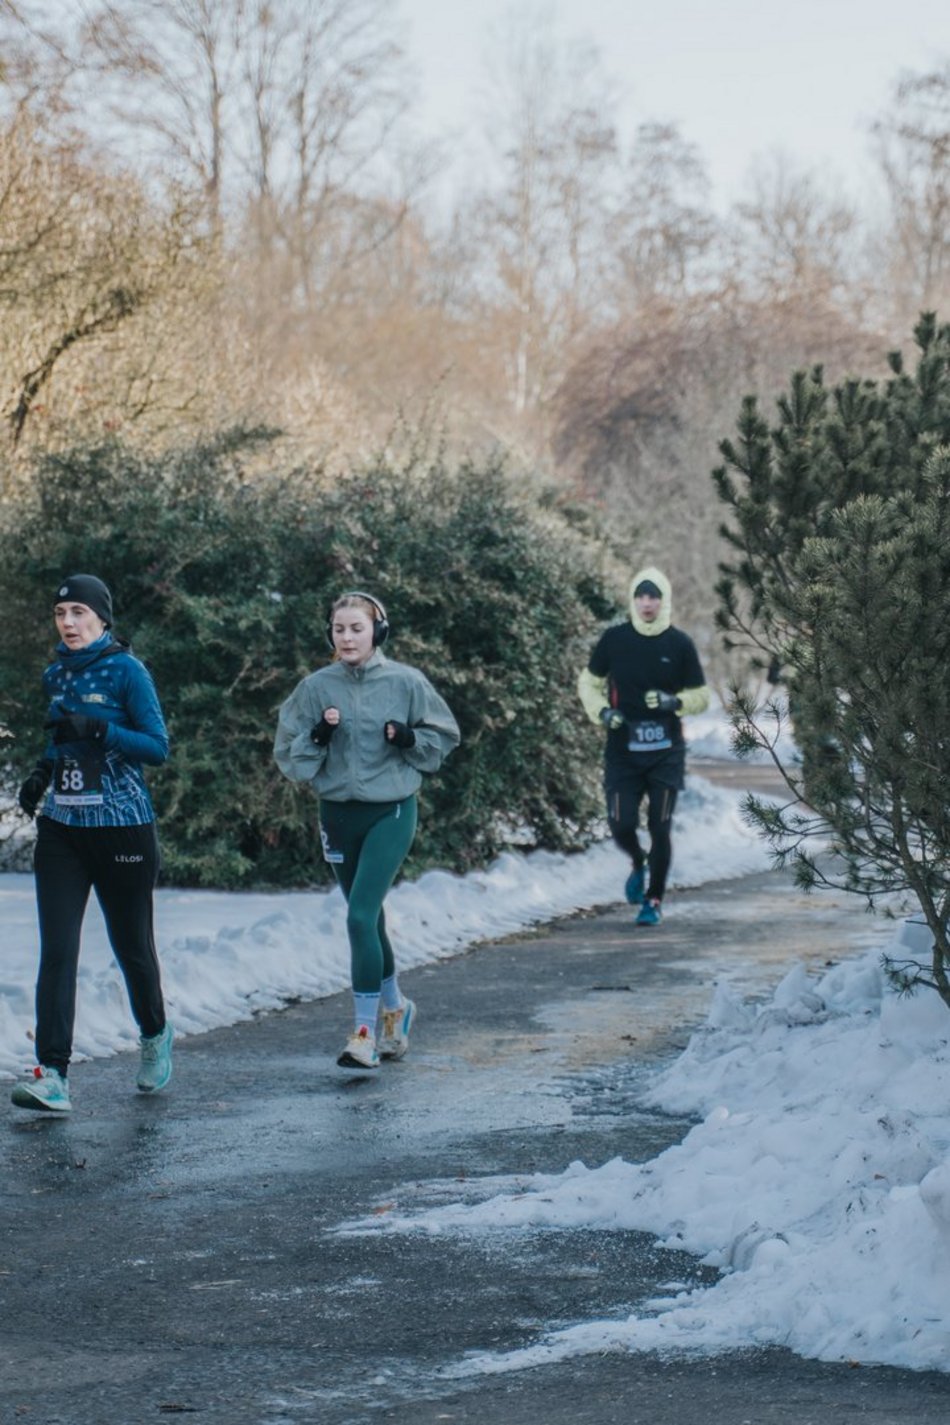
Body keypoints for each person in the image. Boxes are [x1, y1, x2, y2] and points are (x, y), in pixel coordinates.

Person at [273, 591, 460, 1071]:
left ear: (378, 631)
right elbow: (289, 754)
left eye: (356, 628)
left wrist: (409, 737)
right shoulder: (315, 687)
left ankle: (363, 1032)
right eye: (339, 629)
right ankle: (396, 1007)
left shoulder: (406, 682)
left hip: (390, 811)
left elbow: (444, 737)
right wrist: (318, 736)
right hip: (337, 814)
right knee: (370, 919)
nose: (347, 637)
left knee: (358, 917)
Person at [12, 575, 173, 1114]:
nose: (69, 623)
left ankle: (154, 1033)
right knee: (58, 950)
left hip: (123, 828)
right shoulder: (55, 673)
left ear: (102, 618)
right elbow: (58, 740)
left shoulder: (128, 671)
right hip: (63, 831)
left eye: (79, 612)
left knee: (132, 949)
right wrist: (40, 774)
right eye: (61, 614)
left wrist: (100, 730)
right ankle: (52, 1073)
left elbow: (156, 747)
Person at [578, 565, 709, 927]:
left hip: (666, 752)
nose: (646, 603)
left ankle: (653, 900)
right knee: (620, 824)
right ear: (633, 600)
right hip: (623, 751)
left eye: (653, 596)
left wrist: (672, 703)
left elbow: (701, 695)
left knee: (660, 826)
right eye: (641, 596)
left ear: (663, 600)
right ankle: (638, 861)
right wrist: (603, 712)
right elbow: (588, 683)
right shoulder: (614, 640)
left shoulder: (679, 643)